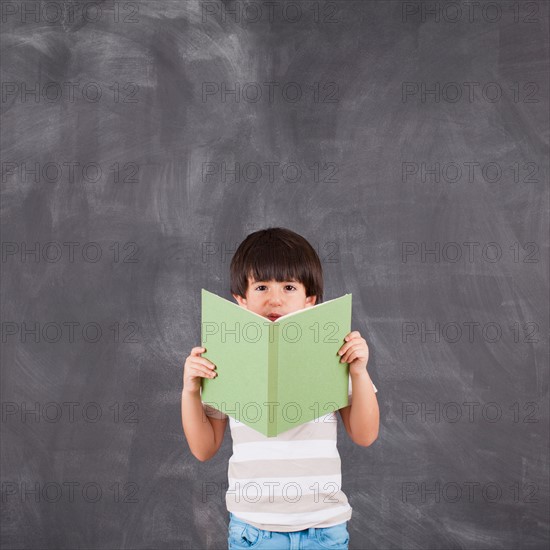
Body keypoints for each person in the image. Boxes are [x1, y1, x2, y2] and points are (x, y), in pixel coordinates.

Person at [182, 227, 380, 549]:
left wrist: (358, 371)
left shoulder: (333, 353)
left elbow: (365, 434)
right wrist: (190, 391)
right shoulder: (226, 359)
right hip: (254, 530)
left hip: (324, 529)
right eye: (261, 286)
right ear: (241, 300)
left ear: (309, 299)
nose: (275, 298)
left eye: (289, 286)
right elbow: (204, 449)